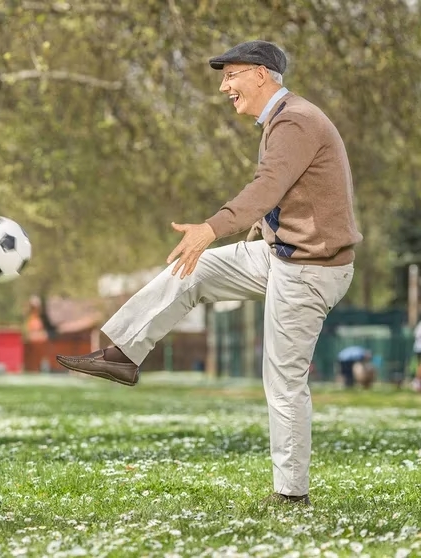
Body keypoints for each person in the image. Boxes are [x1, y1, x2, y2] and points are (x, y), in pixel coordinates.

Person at [56, 40, 361, 506]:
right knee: (192, 268)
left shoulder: (296, 121)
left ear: (261, 74)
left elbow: (268, 187)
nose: (224, 86)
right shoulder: (283, 119)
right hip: (282, 255)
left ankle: (291, 495)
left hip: (311, 269)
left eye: (231, 75)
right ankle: (123, 353)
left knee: (283, 382)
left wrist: (211, 228)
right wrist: (245, 236)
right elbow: (287, 195)